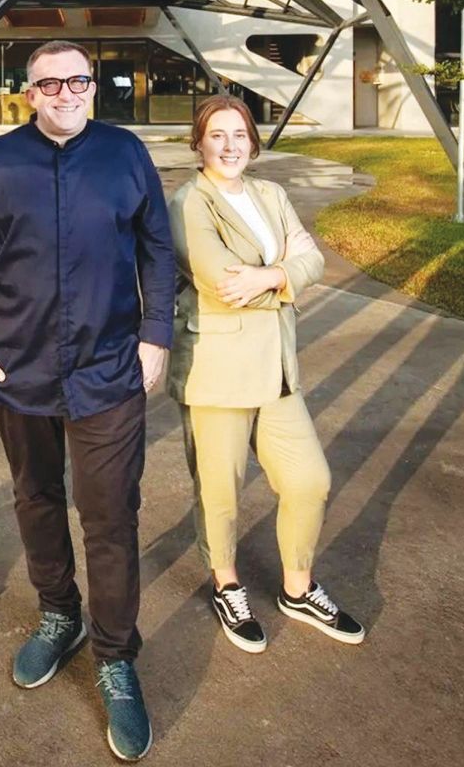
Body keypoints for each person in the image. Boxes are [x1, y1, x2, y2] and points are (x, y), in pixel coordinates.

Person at [0, 40, 175, 763]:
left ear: (93, 87)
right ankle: (58, 615)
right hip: (19, 369)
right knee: (36, 497)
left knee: (109, 514)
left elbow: (157, 249)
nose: (66, 92)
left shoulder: (125, 153)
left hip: (110, 368)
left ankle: (115, 655)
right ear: (29, 93)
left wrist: (156, 335)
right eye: (51, 83)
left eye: (79, 80)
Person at [166, 95, 364, 655]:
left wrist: (270, 275)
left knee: (309, 481)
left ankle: (298, 589)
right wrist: (286, 276)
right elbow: (220, 281)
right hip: (217, 370)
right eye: (217, 135)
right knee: (220, 492)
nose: (229, 146)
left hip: (277, 370)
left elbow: (315, 260)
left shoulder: (271, 194)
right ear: (199, 143)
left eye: (239, 135)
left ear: (254, 142)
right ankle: (227, 584)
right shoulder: (188, 203)